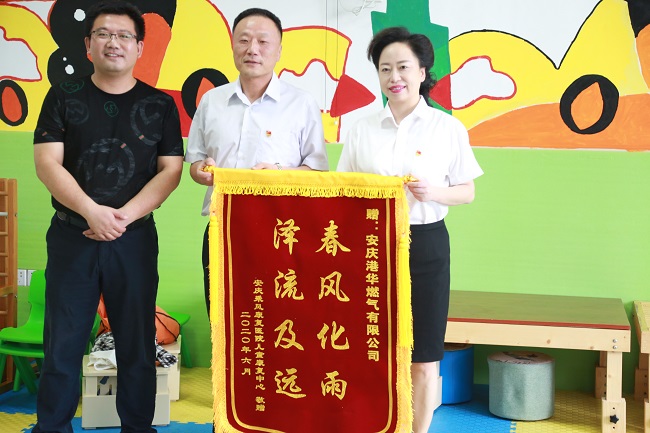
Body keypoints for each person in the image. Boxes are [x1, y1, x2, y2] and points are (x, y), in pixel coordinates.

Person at [31, 0, 184, 431]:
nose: (113, 42)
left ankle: (138, 427)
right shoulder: (62, 95)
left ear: (139, 47)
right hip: (72, 237)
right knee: (62, 344)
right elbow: (47, 163)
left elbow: (171, 170)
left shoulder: (159, 104)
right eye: (103, 34)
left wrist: (121, 218)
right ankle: (51, 427)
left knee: (137, 343)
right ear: (88, 44)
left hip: (133, 240)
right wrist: (91, 212)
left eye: (123, 36)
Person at [336, 27, 483, 433]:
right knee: (370, 349)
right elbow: (343, 189)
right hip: (370, 246)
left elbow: (467, 191)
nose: (393, 77)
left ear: (422, 72)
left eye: (402, 67)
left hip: (426, 245)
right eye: (385, 69)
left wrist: (432, 192)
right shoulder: (362, 128)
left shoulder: (446, 128)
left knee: (424, 355)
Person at [185, 7, 329, 316]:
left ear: (279, 50)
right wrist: (202, 172)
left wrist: (278, 173)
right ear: (232, 45)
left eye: (263, 41)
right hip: (222, 227)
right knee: (222, 317)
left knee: (280, 319)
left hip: (283, 231)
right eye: (244, 40)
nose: (252, 49)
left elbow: (317, 171)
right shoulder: (212, 101)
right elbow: (195, 162)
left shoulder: (301, 103)